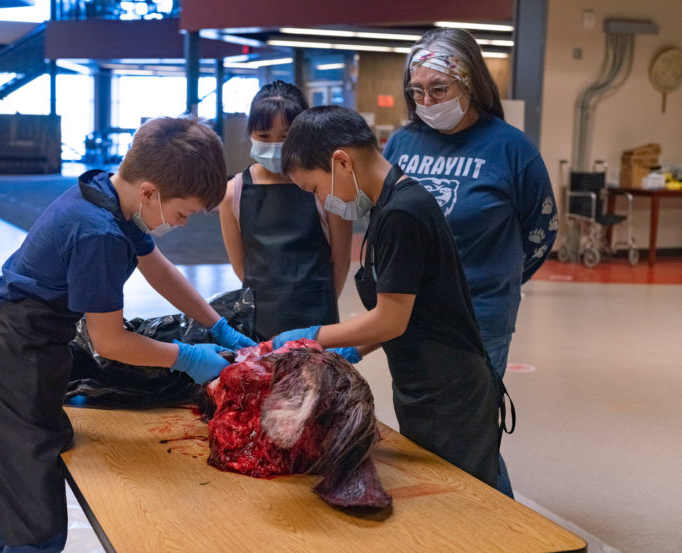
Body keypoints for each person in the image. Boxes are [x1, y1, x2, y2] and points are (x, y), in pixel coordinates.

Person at [0, 117, 255, 552]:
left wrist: (218, 326)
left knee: (10, 504)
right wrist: (187, 356)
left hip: (24, 349)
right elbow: (109, 342)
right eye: (183, 213)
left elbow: (160, 271)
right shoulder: (99, 233)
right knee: (34, 527)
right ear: (149, 191)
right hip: (9, 363)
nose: (184, 224)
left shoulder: (110, 195)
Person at [274, 105, 510, 491]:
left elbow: (391, 320)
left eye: (315, 188)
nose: (321, 201)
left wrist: (311, 336)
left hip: (449, 392)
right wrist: (351, 349)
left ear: (341, 162)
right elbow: (407, 310)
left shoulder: (403, 213)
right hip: (426, 381)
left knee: (468, 506)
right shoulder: (391, 204)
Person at [382, 28, 557, 497]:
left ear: (471, 84)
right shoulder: (402, 144)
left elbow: (540, 232)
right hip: (409, 310)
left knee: (472, 427)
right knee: (425, 423)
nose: (427, 100)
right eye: (417, 91)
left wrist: (498, 283)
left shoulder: (511, 148)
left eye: (439, 89)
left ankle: (501, 525)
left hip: (481, 314)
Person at [218, 80, 352, 341]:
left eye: (285, 136)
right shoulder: (232, 193)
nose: (275, 144)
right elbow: (241, 266)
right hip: (259, 321)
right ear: (250, 134)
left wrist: (321, 307)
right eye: (264, 136)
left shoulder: (326, 187)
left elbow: (341, 260)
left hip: (318, 319)